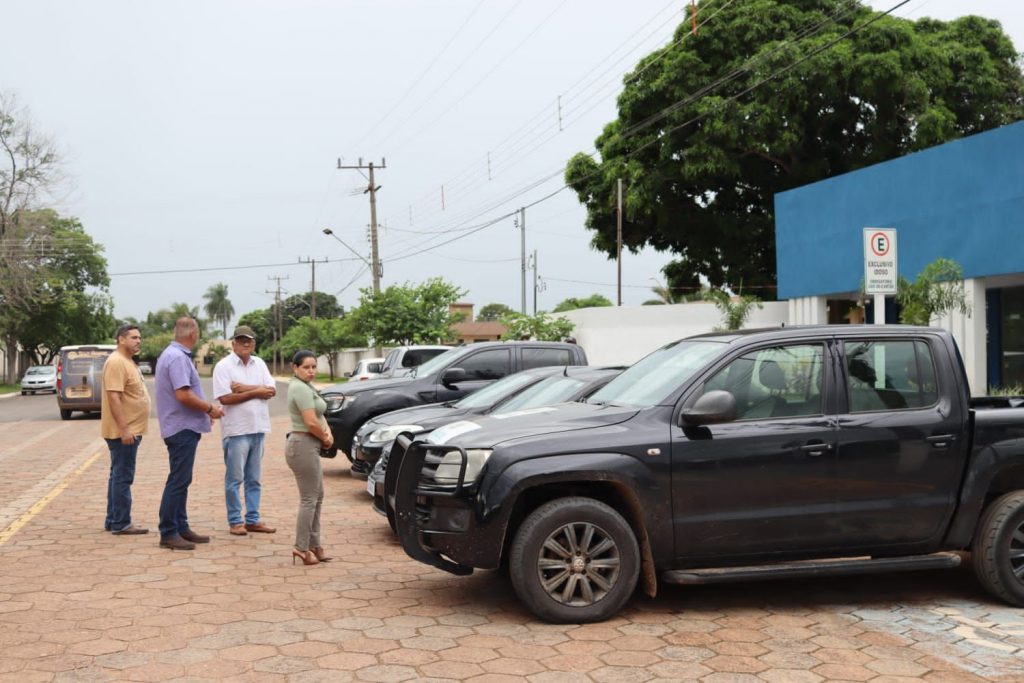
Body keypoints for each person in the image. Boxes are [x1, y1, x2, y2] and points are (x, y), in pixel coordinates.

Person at [154, 317, 224, 550]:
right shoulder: (177, 358)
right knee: (178, 480)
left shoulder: (173, 355)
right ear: (193, 334)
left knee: (182, 480)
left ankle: (181, 527)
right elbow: (183, 395)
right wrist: (209, 408)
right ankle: (168, 531)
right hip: (180, 428)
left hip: (182, 426)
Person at [212, 325, 277, 536]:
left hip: (258, 428)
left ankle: (253, 519)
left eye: (248, 340)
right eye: (241, 340)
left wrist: (246, 388)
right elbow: (225, 398)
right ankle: (235, 521)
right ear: (233, 344)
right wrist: (257, 390)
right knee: (234, 479)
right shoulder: (224, 366)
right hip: (236, 431)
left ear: (254, 343)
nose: (245, 344)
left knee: (254, 479)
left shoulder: (260, 364)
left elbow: (270, 390)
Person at [101, 323, 151, 535]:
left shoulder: (127, 361)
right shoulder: (116, 362)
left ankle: (113, 519)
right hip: (124, 432)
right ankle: (121, 522)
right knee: (123, 476)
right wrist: (125, 429)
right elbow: (114, 397)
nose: (138, 341)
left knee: (118, 475)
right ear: (121, 339)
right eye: (133, 337)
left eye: (139, 337)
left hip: (131, 429)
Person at [285, 350, 333, 565]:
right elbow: (311, 422)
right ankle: (301, 547)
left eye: (314, 367)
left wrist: (327, 432)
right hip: (303, 444)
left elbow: (320, 415)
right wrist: (325, 437)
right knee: (309, 499)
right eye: (306, 367)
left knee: (317, 496)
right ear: (295, 368)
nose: (311, 371)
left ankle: (314, 544)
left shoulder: (306, 386)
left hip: (309, 444)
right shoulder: (299, 388)